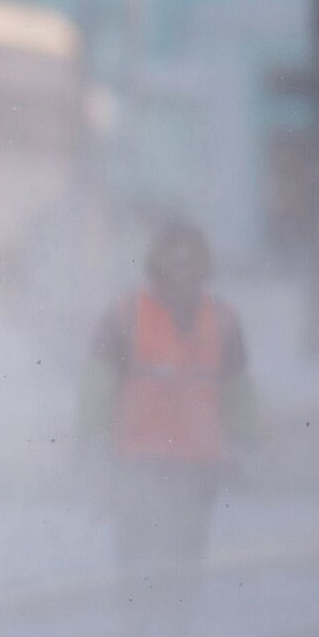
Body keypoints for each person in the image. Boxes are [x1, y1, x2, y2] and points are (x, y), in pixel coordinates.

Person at [79, 219, 255, 591]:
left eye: (189, 261)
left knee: (185, 558)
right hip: (136, 460)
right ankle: (137, 629)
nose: (181, 270)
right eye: (173, 260)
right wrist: (90, 438)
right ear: (156, 264)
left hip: (198, 465)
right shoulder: (125, 316)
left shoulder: (224, 320)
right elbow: (98, 383)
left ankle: (177, 633)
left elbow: (238, 390)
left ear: (203, 265)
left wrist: (247, 444)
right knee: (136, 556)